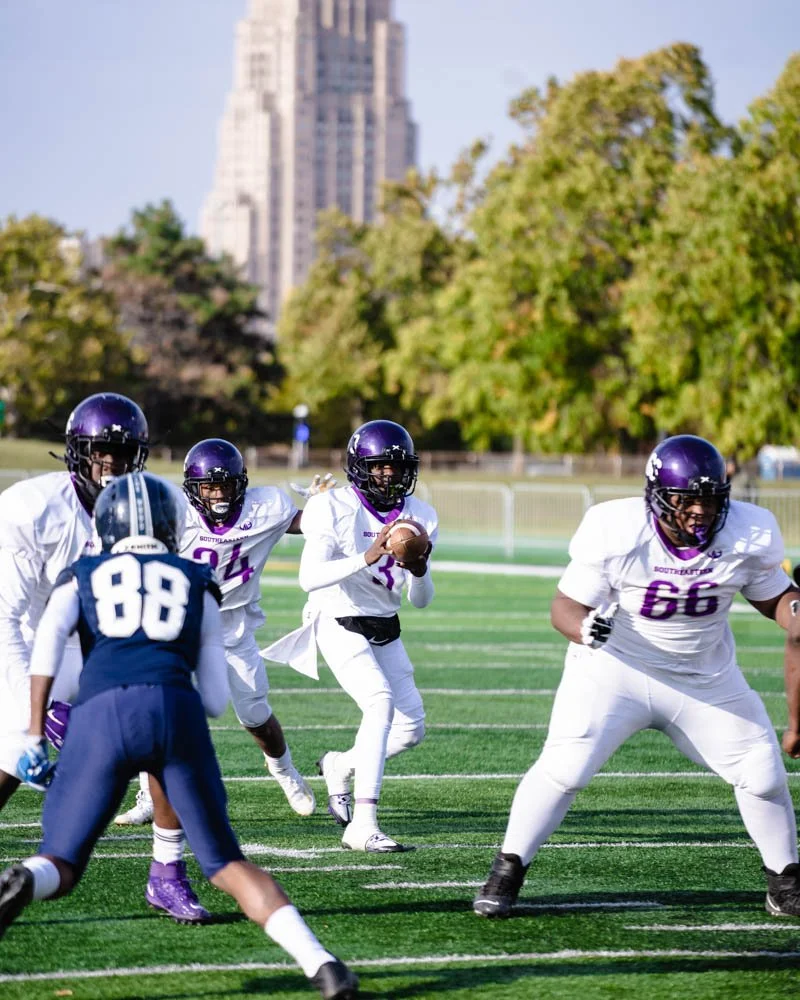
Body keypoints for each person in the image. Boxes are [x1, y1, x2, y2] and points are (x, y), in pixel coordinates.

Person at [0, 472, 359, 1000]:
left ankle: (29, 878)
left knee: (63, 860)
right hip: (174, 711)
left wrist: (35, 730)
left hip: (101, 714)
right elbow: (214, 698)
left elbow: (48, 646)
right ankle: (323, 964)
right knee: (227, 864)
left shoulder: (82, 574)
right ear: (172, 525)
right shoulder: (196, 580)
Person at [474, 434, 800, 919]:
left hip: (704, 679)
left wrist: (795, 611)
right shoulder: (618, 529)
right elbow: (564, 606)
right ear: (658, 496)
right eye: (686, 500)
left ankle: (785, 882)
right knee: (565, 769)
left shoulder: (746, 533)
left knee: (762, 771)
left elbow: (774, 595)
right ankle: (507, 869)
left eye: (710, 499)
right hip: (615, 671)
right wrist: (585, 628)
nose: (700, 511)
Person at [114, 438, 316, 825]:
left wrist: (326, 506)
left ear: (242, 483)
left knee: (256, 715)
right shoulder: (172, 511)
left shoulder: (266, 507)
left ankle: (285, 771)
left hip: (233, 627)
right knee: (159, 711)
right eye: (209, 486)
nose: (219, 494)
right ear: (194, 488)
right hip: (177, 623)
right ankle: (149, 796)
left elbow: (305, 523)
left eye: (225, 485)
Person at [264, 420, 438, 853]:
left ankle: (339, 766)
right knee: (379, 702)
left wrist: (419, 571)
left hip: (384, 622)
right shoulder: (333, 506)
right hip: (336, 616)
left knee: (411, 729)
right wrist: (367, 556)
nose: (390, 476)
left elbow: (420, 601)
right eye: (380, 466)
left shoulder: (421, 515)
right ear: (360, 467)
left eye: (398, 467)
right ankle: (363, 824)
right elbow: (309, 578)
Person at [0, 391, 149, 813]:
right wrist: (39, 708)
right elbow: (4, 618)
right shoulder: (37, 509)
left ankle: (167, 850)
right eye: (101, 451)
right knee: (16, 746)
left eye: (123, 453)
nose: (112, 464)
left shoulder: (142, 510)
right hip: (24, 637)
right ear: (77, 451)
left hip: (85, 641)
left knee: (158, 721)